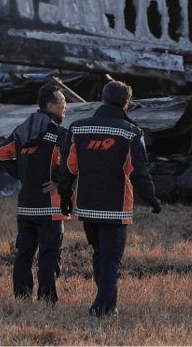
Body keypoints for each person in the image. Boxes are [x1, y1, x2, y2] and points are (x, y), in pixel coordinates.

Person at [54, 80, 161, 317]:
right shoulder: (131, 132)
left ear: (102, 99)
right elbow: (138, 171)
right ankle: (100, 309)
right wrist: (152, 198)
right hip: (116, 207)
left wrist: (65, 195)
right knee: (111, 261)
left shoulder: (78, 128)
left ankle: (110, 308)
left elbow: (69, 168)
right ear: (127, 103)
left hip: (87, 206)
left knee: (99, 255)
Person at [0, 85, 69, 302]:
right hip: (51, 208)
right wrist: (57, 179)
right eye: (62, 102)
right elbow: (71, 163)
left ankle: (22, 297)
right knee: (49, 255)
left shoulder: (21, 130)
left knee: (24, 255)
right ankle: (47, 300)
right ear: (50, 106)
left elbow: (1, 154)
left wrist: (21, 175)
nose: (65, 106)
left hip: (26, 205)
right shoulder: (59, 133)